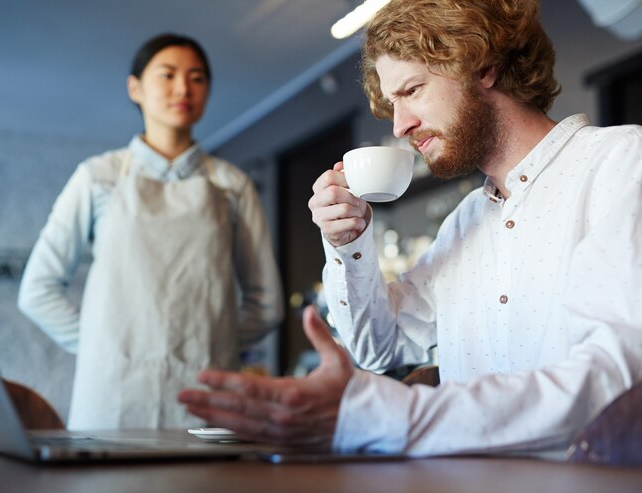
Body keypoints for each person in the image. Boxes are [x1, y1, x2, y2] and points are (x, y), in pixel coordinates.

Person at [178, 0, 642, 458]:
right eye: (392, 102)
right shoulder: (466, 221)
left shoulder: (622, 163)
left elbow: (615, 379)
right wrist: (347, 242)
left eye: (412, 90)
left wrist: (389, 415)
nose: (399, 125)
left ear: (483, 66)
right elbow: (378, 346)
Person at [18, 33, 284, 430]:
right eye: (168, 74)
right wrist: (101, 349)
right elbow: (37, 290)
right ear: (135, 87)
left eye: (197, 78)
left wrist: (213, 347)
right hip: (111, 393)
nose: (183, 88)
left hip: (207, 393)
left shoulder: (233, 185)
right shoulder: (97, 177)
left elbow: (267, 304)